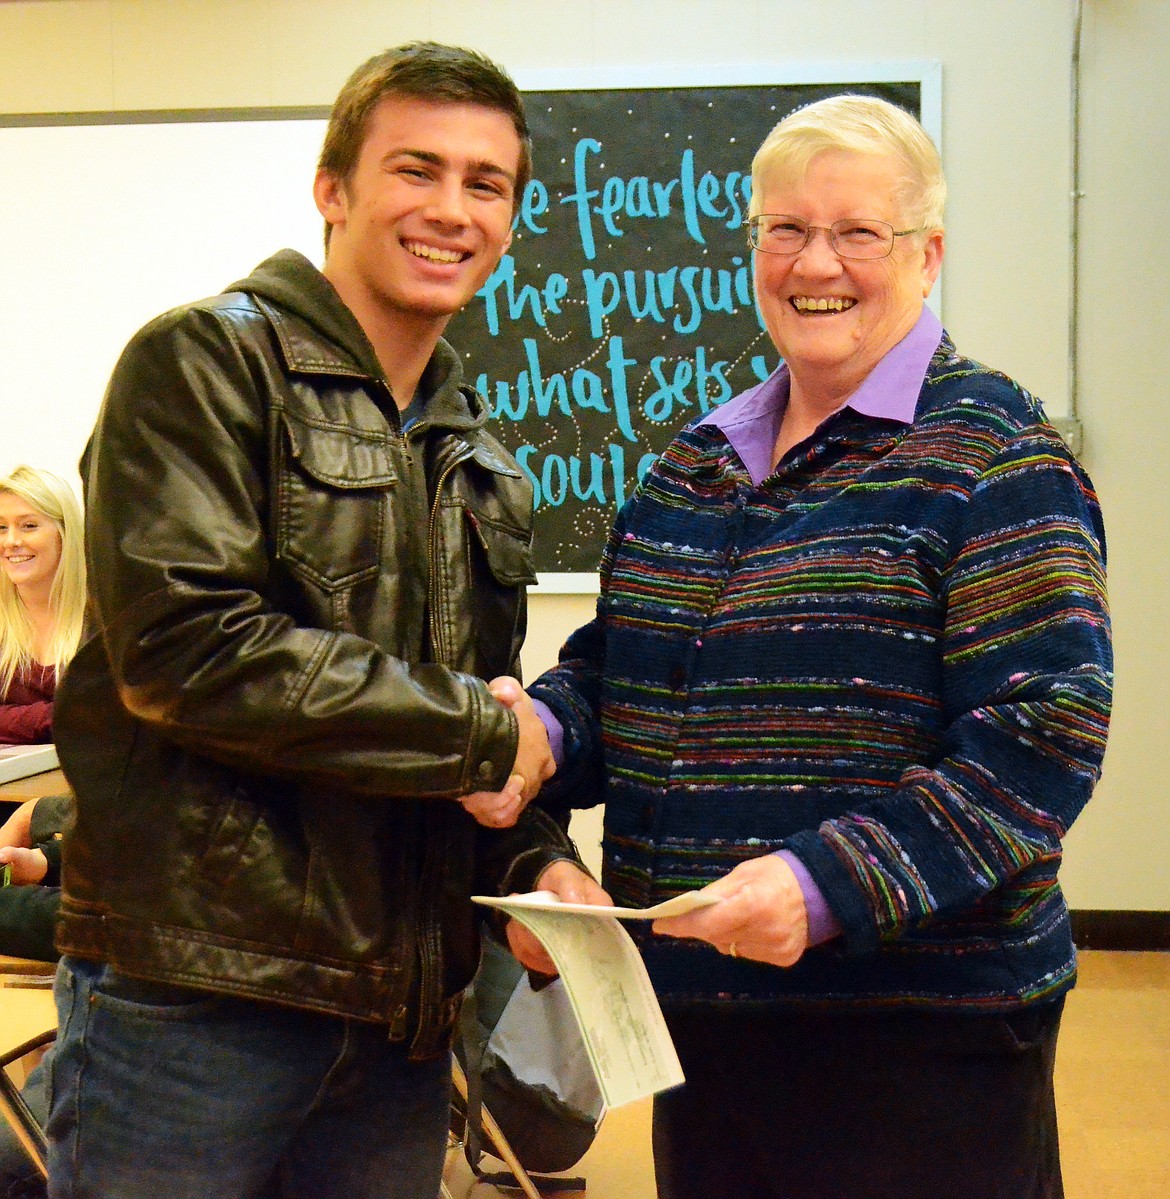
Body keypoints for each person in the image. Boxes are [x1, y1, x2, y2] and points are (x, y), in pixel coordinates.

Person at [511, 95, 1112, 1199]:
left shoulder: (998, 457)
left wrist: (825, 883)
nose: (814, 261)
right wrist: (545, 729)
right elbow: (621, 668)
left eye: (857, 232)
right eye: (784, 229)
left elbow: (1040, 742)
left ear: (928, 257)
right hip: (709, 1021)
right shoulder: (691, 462)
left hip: (917, 1045)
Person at [48, 41, 602, 1199]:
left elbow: (468, 713)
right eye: (417, 169)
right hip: (199, 1003)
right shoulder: (203, 362)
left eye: (485, 183)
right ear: (333, 186)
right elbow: (191, 651)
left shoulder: (480, 454)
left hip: (399, 1023)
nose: (452, 209)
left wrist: (538, 862)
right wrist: (496, 741)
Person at [0, 466, 85, 745]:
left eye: (28, 526)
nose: (11, 541)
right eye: (1, 527)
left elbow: (113, 713)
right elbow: (86, 714)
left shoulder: (104, 616)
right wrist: (58, 717)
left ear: (64, 533)